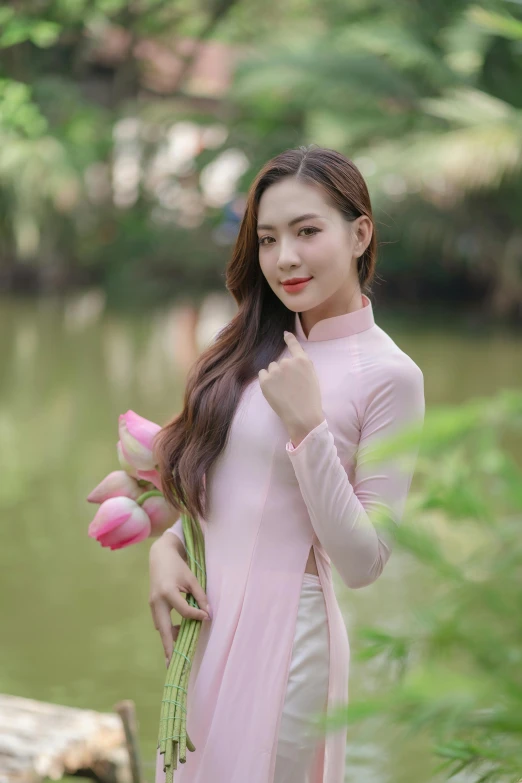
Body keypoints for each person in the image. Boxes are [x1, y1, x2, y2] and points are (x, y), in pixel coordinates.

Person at [149, 144, 426, 783]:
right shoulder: (251, 349)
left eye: (307, 232)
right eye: (268, 239)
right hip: (211, 628)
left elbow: (364, 562)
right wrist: (168, 546)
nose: (285, 258)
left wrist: (309, 427)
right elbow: (231, 488)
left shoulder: (389, 376)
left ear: (360, 234)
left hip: (287, 640)